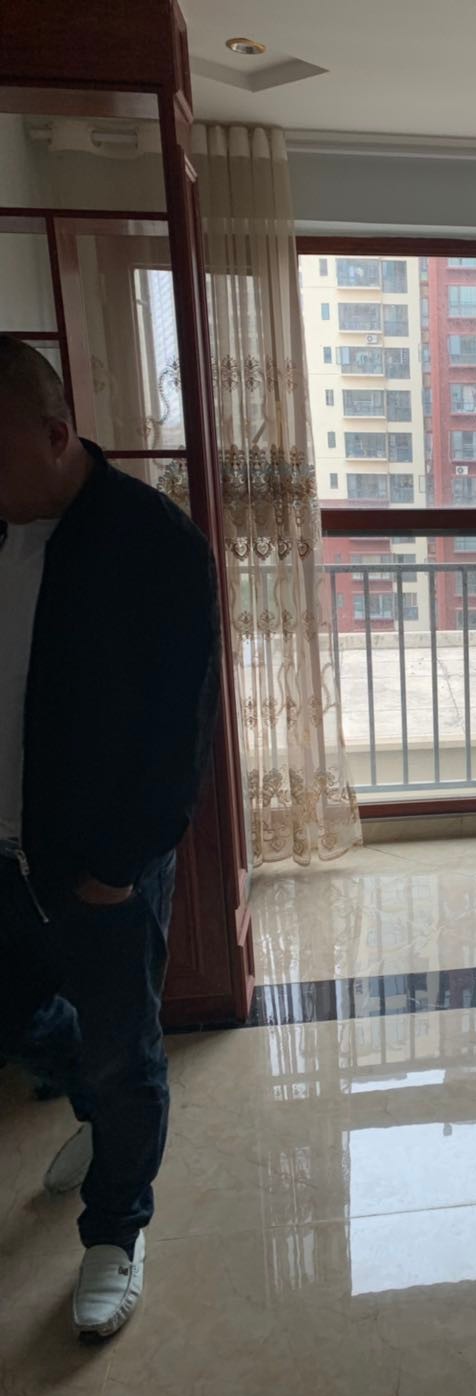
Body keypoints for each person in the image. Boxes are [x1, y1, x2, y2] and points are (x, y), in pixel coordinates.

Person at [0, 335, 219, 1336]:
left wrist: (121, 864)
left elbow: (179, 726)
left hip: (99, 861)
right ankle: (94, 1109)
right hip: (5, 850)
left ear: (54, 435)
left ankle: (117, 1229)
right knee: (21, 1020)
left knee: (124, 1049)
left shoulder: (151, 543)